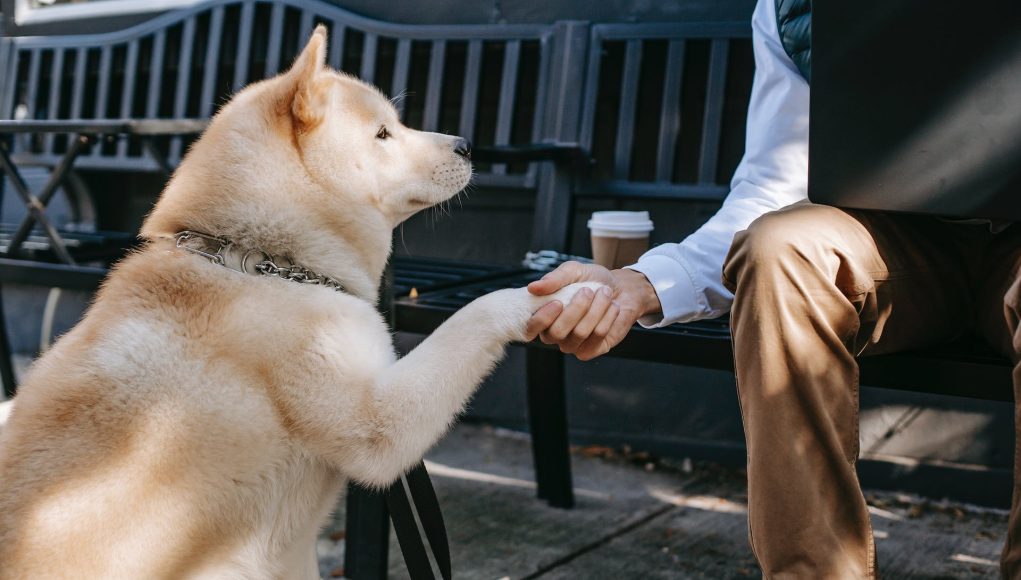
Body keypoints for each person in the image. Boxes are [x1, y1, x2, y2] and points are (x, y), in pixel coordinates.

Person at [526, 0, 1021, 577]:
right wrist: (640, 283)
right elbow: (771, 185)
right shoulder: (792, 8)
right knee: (778, 247)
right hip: (897, 250)